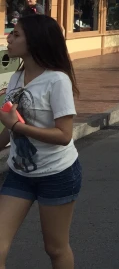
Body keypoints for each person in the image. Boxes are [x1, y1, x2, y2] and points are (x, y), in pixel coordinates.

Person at [0, 15, 80, 269]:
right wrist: (10, 130)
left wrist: (16, 126)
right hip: (19, 173)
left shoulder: (57, 80)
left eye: (16, 34)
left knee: (55, 248)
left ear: (34, 41)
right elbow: (12, 128)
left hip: (57, 174)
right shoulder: (16, 77)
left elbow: (64, 135)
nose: (8, 38)